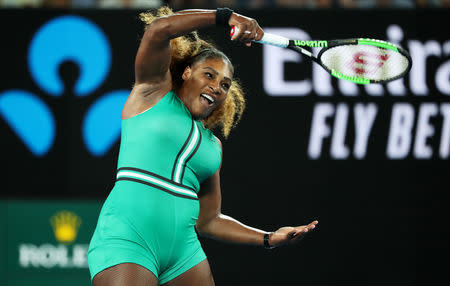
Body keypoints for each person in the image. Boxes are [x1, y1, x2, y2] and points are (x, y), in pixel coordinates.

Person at [87, 6, 318, 286]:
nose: (217, 87)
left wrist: (268, 238)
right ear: (186, 72)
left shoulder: (213, 147)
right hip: (128, 239)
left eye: (225, 84)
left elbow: (209, 221)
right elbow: (158, 30)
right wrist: (224, 17)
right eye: (208, 75)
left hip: (184, 254)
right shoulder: (151, 92)